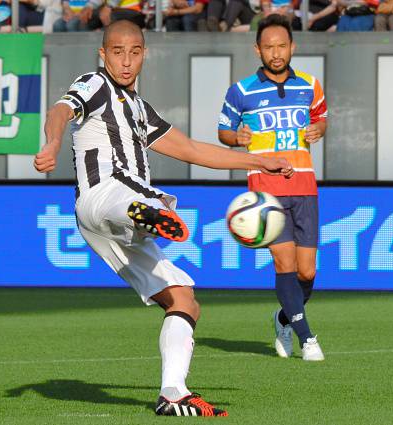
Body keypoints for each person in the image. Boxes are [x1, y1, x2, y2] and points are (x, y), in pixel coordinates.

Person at [33, 20, 293, 417]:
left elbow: (191, 150)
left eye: (133, 52)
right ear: (102, 55)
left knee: (185, 300)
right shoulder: (96, 84)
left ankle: (173, 392)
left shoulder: (140, 110)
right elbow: (61, 110)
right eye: (116, 52)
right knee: (145, 201)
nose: (125, 61)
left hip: (103, 229)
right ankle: (148, 213)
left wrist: (260, 159)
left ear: (144, 55)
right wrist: (52, 141)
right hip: (104, 194)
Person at [218, 14, 327, 362]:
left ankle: (284, 318)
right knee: (284, 263)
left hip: (305, 185)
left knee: (306, 271)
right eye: (268, 47)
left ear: (292, 47)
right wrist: (237, 137)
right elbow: (223, 131)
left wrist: (319, 130)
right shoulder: (242, 90)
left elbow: (320, 117)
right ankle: (308, 338)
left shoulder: (310, 85)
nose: (276, 53)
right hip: (266, 190)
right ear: (258, 49)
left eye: (281, 46)